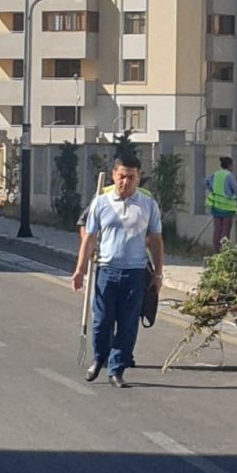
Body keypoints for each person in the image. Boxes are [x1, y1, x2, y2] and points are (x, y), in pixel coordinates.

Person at [72, 157, 164, 389]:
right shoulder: (101, 202)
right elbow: (89, 237)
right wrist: (80, 270)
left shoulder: (147, 204)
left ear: (138, 178)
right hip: (106, 270)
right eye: (122, 176)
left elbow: (156, 240)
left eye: (131, 177)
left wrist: (158, 273)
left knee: (127, 323)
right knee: (101, 320)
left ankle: (117, 370)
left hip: (135, 273)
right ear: (113, 175)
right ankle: (99, 357)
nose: (126, 181)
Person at [205, 156, 237, 253]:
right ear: (230, 165)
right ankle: (224, 252)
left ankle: (216, 251)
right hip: (227, 207)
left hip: (216, 206)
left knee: (217, 230)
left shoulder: (216, 174)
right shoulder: (230, 176)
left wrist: (213, 189)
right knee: (225, 231)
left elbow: (206, 182)